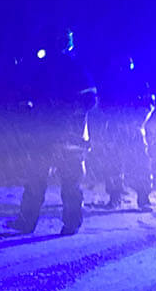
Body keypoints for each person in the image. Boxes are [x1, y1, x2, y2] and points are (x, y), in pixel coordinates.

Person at [13, 28, 98, 235]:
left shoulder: (74, 69)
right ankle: (33, 222)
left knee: (63, 182)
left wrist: (64, 111)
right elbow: (28, 99)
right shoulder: (48, 69)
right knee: (47, 181)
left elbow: (89, 100)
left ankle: (61, 223)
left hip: (67, 136)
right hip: (52, 135)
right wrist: (32, 111)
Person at [96, 54, 155, 211]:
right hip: (117, 129)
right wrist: (115, 120)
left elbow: (148, 105)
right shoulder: (112, 82)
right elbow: (102, 105)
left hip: (133, 130)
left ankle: (143, 197)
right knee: (114, 164)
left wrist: (136, 122)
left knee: (140, 164)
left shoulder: (139, 81)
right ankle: (115, 197)